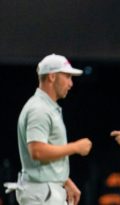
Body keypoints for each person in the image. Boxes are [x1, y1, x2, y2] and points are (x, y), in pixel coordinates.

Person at [10, 54, 93, 205]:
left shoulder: (46, 107)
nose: (71, 83)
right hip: (41, 194)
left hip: (45, 191)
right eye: (67, 76)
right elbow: (37, 151)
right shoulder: (39, 109)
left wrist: (65, 180)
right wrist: (76, 147)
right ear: (52, 77)